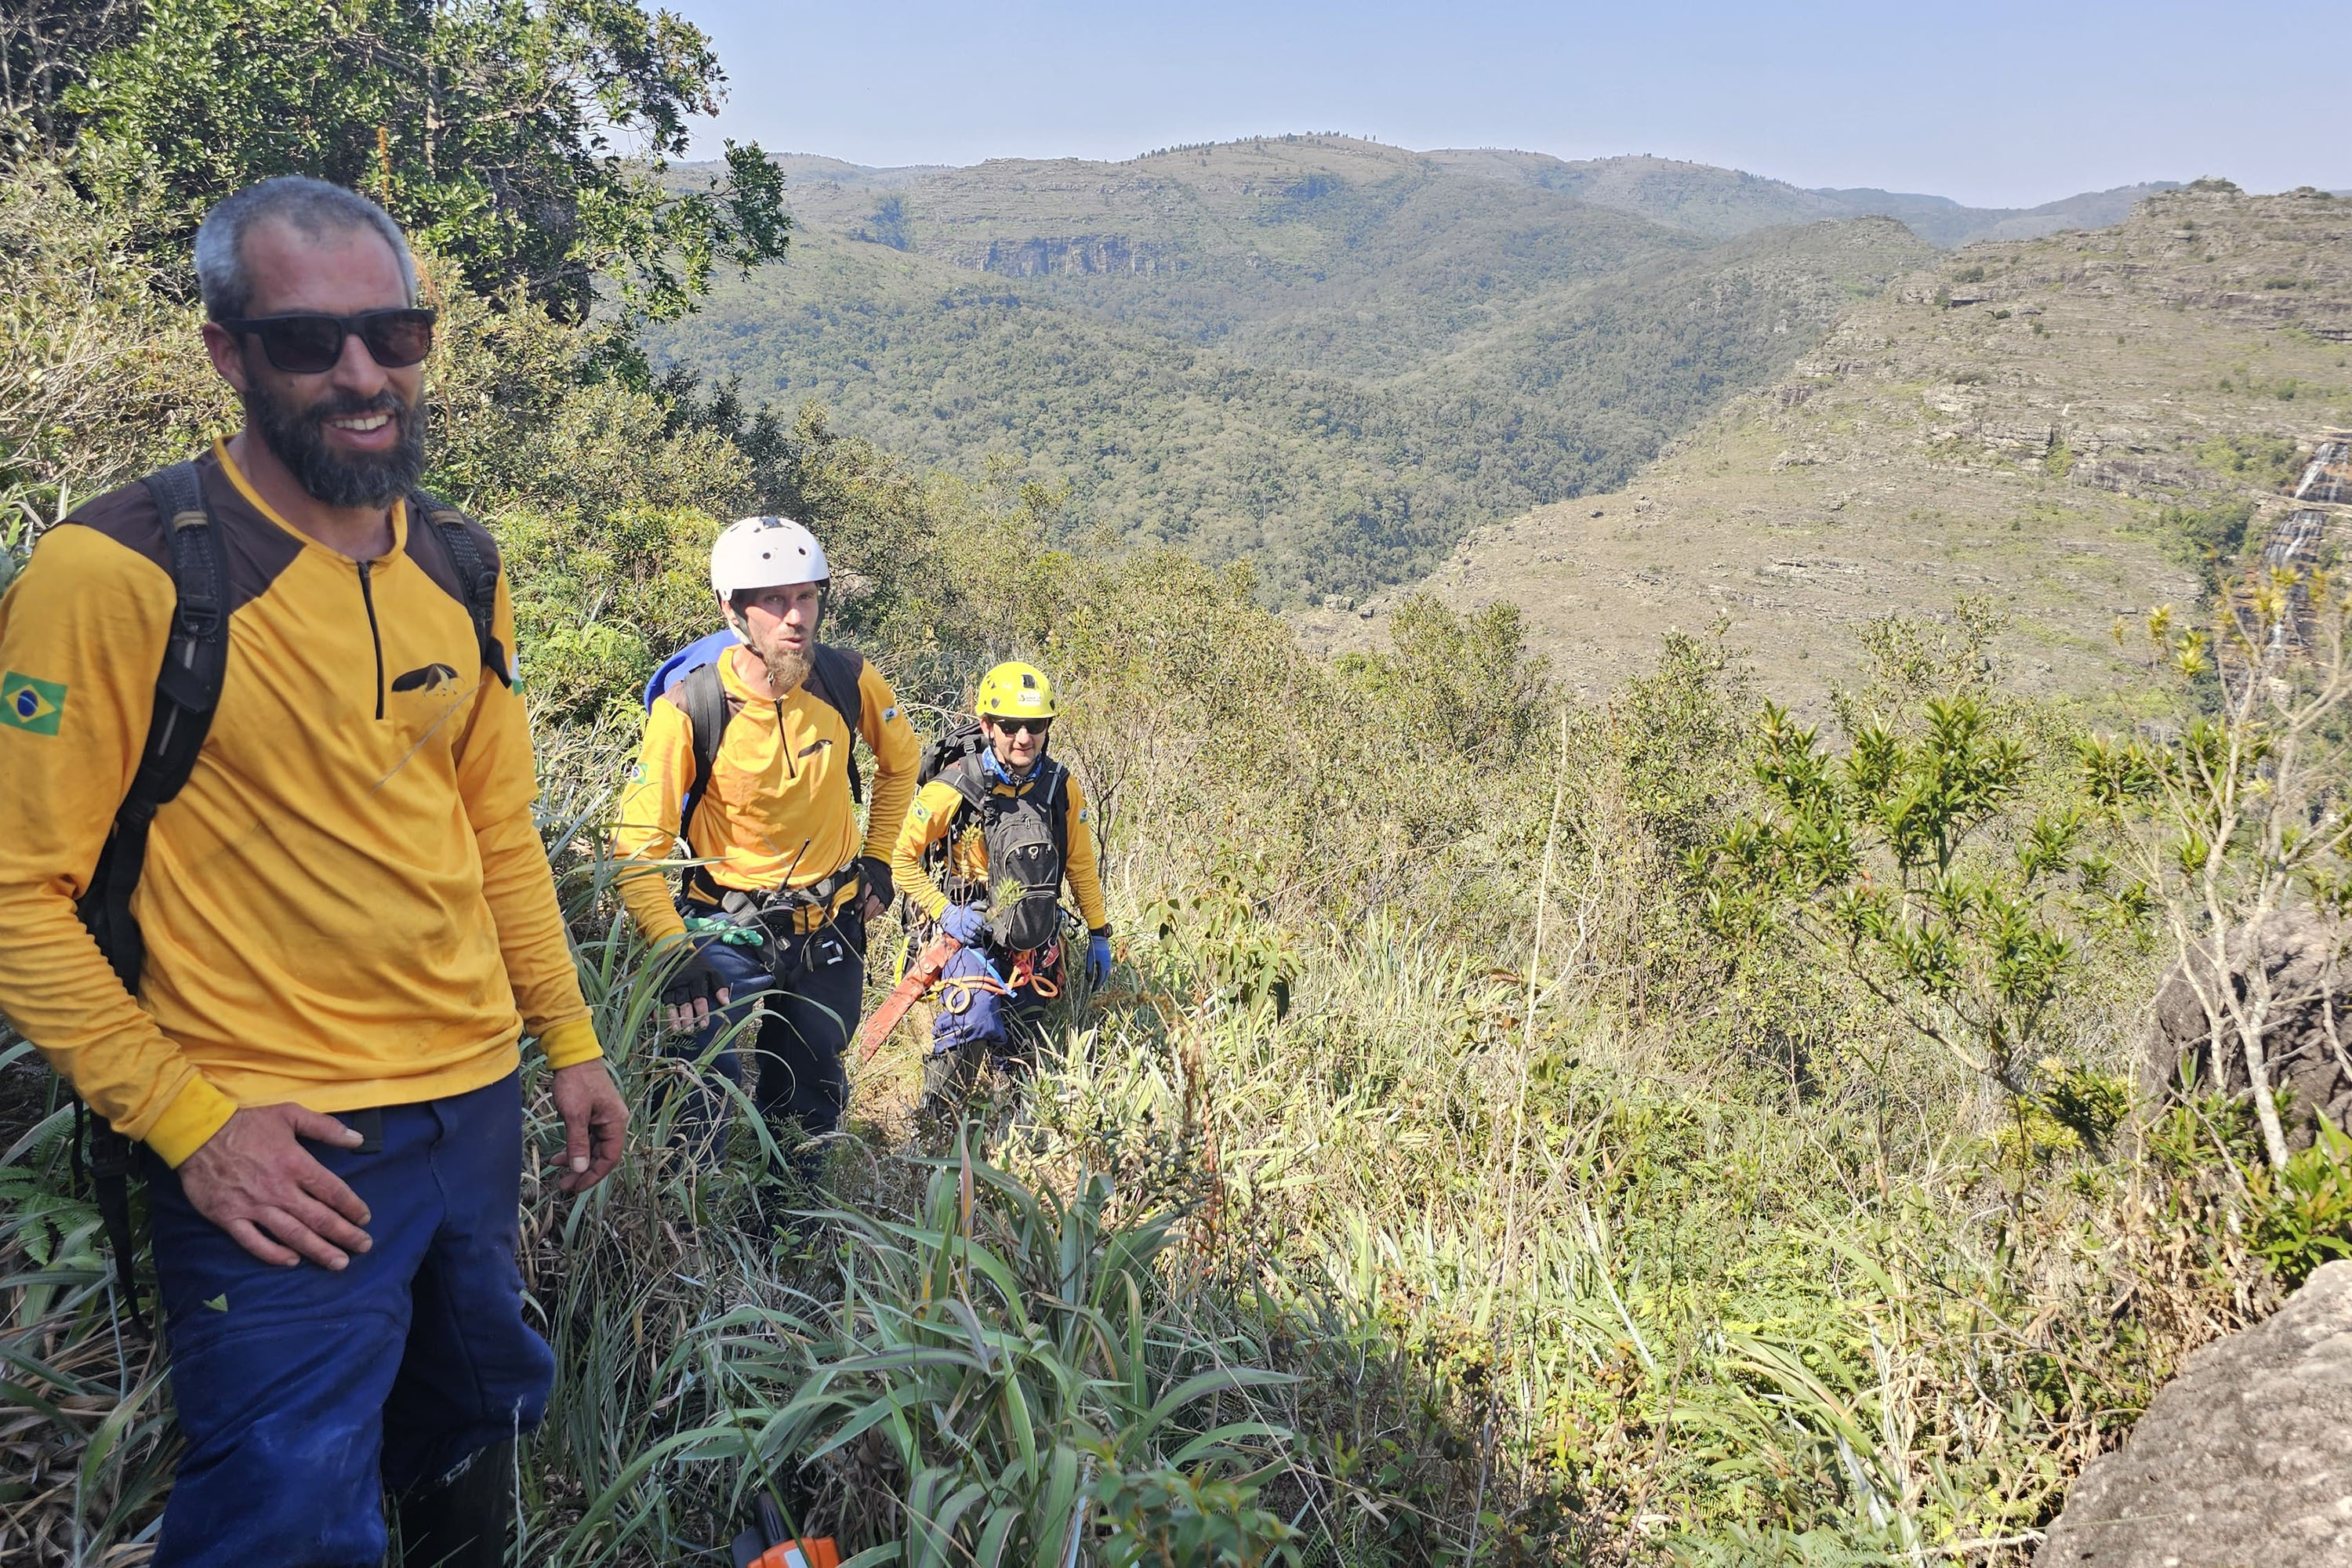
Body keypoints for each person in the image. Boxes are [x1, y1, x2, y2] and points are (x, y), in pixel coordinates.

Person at [0, 177, 628, 1567]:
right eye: (308, 341)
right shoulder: (116, 573)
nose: (362, 374)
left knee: (477, 1416)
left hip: (470, 1101)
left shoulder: (460, 566)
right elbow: (13, 897)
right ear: (228, 352)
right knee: (286, 1503)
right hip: (277, 1128)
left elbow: (497, 832)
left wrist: (570, 1045)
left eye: (395, 335)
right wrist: (189, 1120)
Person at [610, 516, 918, 1200]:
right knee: (699, 1089)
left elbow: (903, 762)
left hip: (828, 920)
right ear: (732, 609)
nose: (795, 617)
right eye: (773, 600)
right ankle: (687, 1231)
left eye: (806, 597)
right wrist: (671, 946)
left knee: (809, 1087)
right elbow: (637, 844)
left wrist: (878, 860)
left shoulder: (847, 680)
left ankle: (791, 1224)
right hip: (724, 926)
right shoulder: (692, 707)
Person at [890, 661, 1112, 1116]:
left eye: (1035, 726)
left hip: (1034, 942)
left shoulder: (1058, 787)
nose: (1023, 738)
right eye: (1010, 726)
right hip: (969, 933)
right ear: (987, 725)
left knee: (1026, 1052)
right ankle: (935, 1123)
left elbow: (1080, 865)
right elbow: (900, 860)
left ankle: (1014, 1126)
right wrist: (943, 911)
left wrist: (1098, 932)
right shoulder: (955, 787)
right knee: (971, 1018)